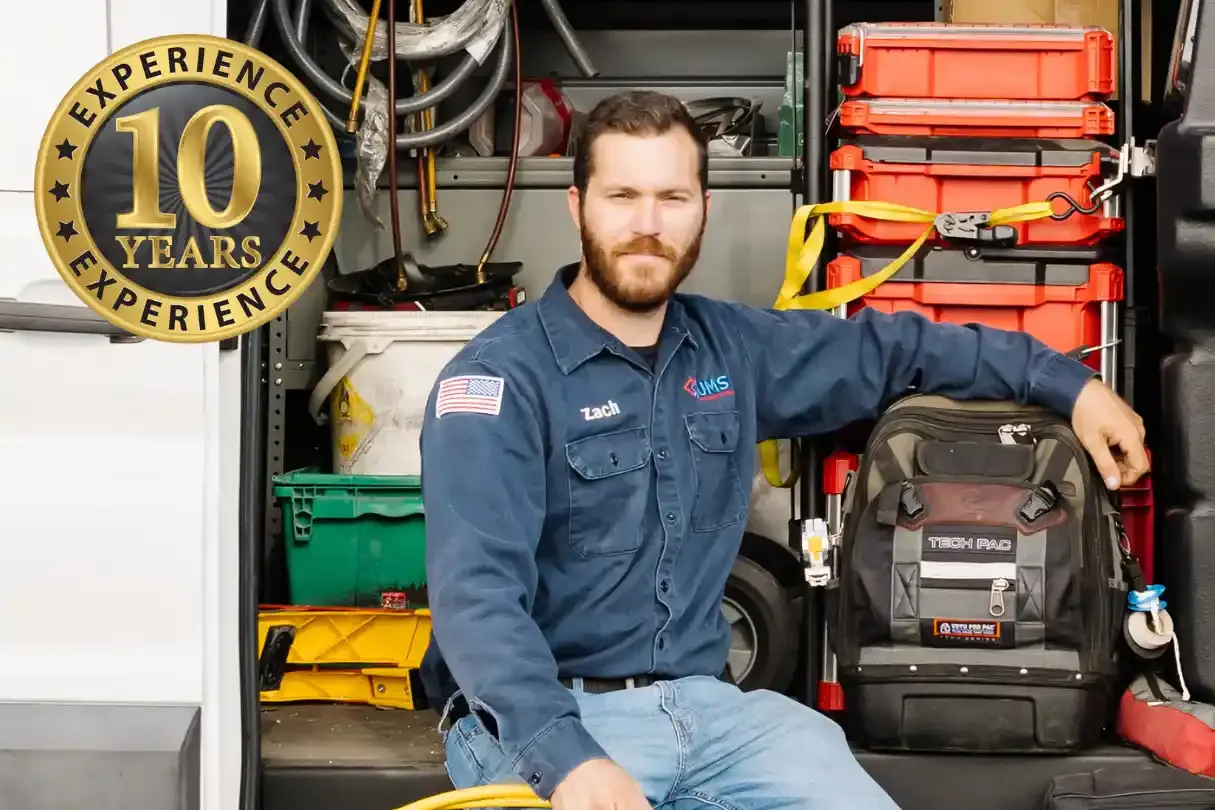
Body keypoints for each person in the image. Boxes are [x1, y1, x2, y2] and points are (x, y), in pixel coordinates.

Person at [418, 90, 1150, 810]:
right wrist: (566, 759)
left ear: (704, 210)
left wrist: (1071, 386)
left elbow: (896, 350)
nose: (647, 225)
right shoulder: (496, 383)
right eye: (621, 197)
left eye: (672, 198)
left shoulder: (733, 349)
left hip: (710, 715)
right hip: (542, 721)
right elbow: (477, 602)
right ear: (576, 208)